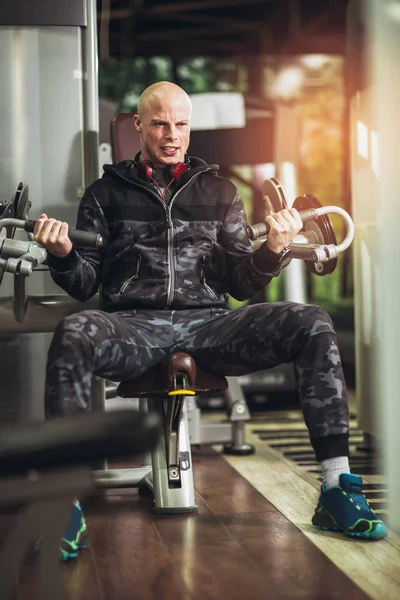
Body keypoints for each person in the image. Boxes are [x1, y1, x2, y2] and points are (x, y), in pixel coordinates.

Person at [34, 81, 387, 559]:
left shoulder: (221, 192)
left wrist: (274, 249)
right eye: (159, 123)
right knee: (74, 330)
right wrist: (62, 254)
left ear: (190, 127)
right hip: (134, 326)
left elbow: (241, 283)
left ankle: (335, 487)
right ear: (138, 125)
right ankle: (62, 499)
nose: (171, 134)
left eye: (180, 124)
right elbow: (84, 283)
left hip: (210, 325)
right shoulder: (104, 194)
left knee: (312, 322)